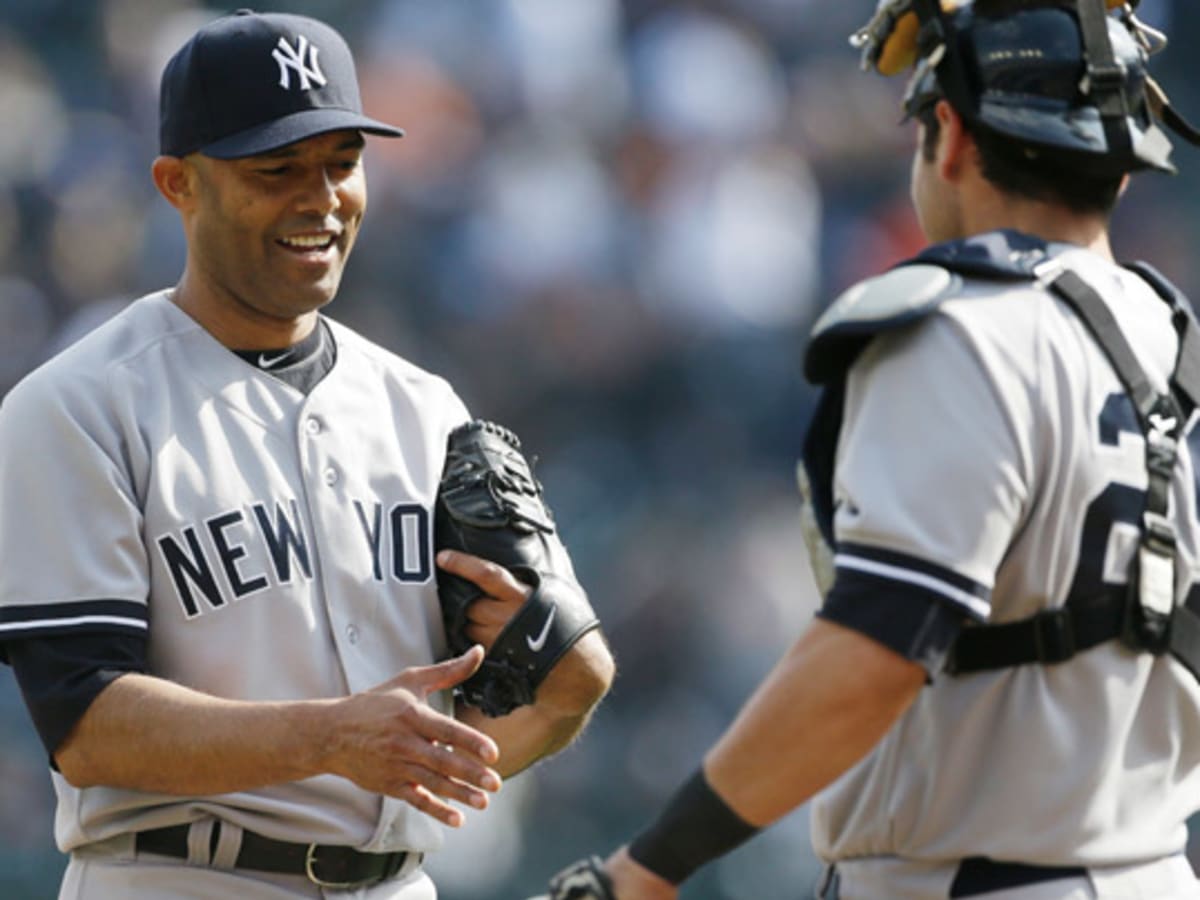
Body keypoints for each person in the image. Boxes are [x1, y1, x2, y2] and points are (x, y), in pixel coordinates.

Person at [531, 1, 1200, 898]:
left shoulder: (964, 331)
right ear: (1121, 170)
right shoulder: (1171, 338)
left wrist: (652, 863)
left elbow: (874, 654)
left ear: (952, 136)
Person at [0, 10, 614, 900]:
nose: (320, 197)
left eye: (341, 162)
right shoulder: (79, 407)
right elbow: (87, 724)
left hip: (397, 882)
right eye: (275, 169)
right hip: (178, 879)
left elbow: (464, 739)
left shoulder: (425, 409)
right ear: (179, 183)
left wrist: (564, 694)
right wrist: (333, 739)